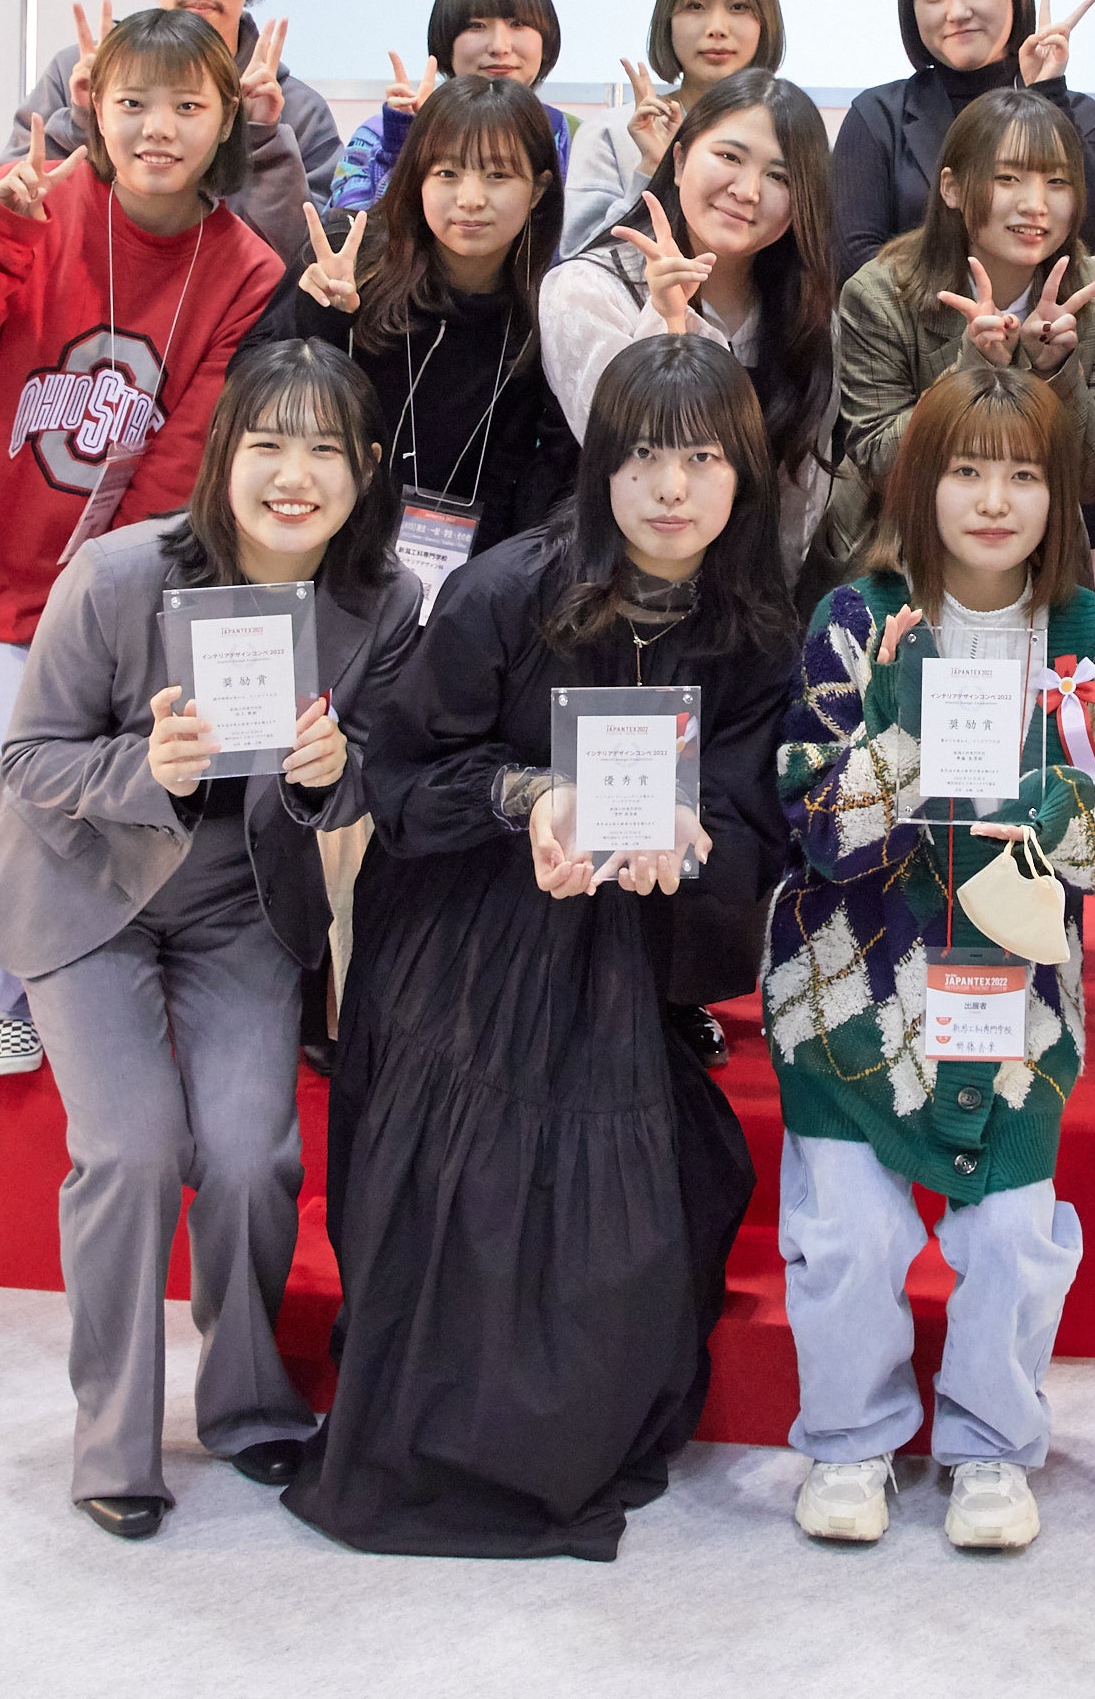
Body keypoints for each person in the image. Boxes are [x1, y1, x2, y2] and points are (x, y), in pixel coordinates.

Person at [288, 336, 802, 1561]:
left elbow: (753, 825)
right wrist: (530, 799)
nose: (670, 488)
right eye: (642, 458)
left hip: (623, 937)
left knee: (649, 1191)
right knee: (469, 1161)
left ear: (743, 474)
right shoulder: (508, 589)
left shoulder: (751, 626)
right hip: (467, 912)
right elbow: (399, 780)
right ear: (598, 465)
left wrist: (684, 840)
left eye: (702, 460)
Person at [0, 342, 425, 1539]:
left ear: (366, 469)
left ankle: (248, 1397)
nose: (294, 476)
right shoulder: (119, 574)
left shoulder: (382, 601)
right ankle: (113, 1438)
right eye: (268, 444)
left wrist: (330, 775)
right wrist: (145, 767)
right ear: (224, 456)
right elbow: (27, 760)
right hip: (88, 888)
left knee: (252, 1151)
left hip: (240, 902)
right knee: (128, 1147)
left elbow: (379, 770)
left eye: (325, 450)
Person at [769, 363, 1095, 1553]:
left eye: (1024, 475)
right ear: (918, 484)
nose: (994, 501)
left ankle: (992, 1444)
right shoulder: (857, 621)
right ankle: (849, 1438)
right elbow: (814, 820)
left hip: (1014, 998)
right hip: (849, 982)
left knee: (1010, 1235)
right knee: (849, 1235)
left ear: (1061, 497)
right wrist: (900, 735)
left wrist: (1053, 807)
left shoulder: (1091, 638)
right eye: (965, 471)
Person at [0, 8, 288, 1076]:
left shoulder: (241, 265)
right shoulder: (20, 200)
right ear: (93, 104)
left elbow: (185, 453)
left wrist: (102, 596)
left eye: (187, 105)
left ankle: (79, 976)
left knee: (89, 793)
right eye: (132, 102)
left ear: (226, 118)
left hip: (96, 592)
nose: (158, 128)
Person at [260, 75, 576, 586]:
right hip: (318, 540)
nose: (470, 199)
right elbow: (254, 394)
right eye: (447, 172)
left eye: (498, 175)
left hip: (468, 570)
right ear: (416, 178)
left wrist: (493, 581)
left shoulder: (550, 308)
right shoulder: (350, 256)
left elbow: (542, 474)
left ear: (539, 189)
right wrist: (322, 317)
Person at [543, 67, 843, 596]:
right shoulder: (586, 289)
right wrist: (670, 323)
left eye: (781, 177)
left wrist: (772, 610)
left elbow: (800, 498)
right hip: (602, 589)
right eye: (729, 157)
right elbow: (627, 453)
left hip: (743, 604)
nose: (747, 191)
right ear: (679, 161)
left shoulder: (807, 316)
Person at [833, 85, 1095, 556]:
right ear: (952, 188)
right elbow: (879, 464)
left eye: (1057, 182)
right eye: (1008, 178)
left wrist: (1055, 373)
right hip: (897, 553)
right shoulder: (879, 293)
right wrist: (971, 368)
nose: (1035, 204)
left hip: (1037, 561)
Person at [3, 0, 332, 264]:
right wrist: (84, 120)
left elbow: (308, 258)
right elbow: (13, 207)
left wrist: (263, 139)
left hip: (233, 302)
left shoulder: (296, 109)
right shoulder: (77, 72)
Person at [831, 0, 1095, 274]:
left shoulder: (1080, 115)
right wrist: (966, 304)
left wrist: (1048, 96)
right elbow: (854, 258)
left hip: (1043, 313)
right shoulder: (877, 115)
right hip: (909, 313)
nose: (957, 11)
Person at [561, 0, 787, 260]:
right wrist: (652, 169)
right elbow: (578, 261)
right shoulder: (611, 132)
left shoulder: (789, 134)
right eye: (695, 6)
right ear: (666, 21)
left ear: (766, 22)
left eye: (739, 7)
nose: (717, 28)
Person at [327, 0, 577, 210]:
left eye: (518, 24)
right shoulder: (379, 133)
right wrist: (406, 144)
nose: (499, 46)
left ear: (546, 38)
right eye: (477, 25)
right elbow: (347, 226)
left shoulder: (575, 136)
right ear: (446, 41)